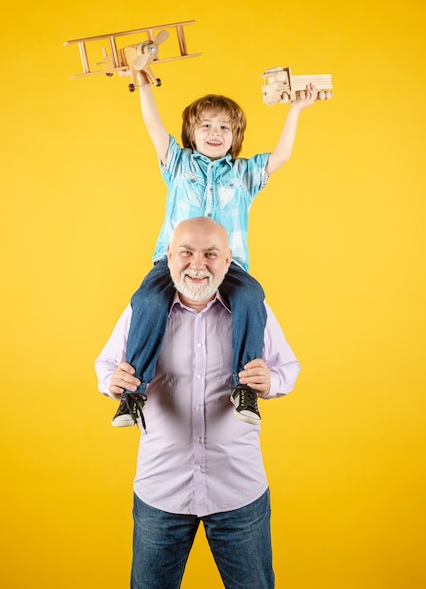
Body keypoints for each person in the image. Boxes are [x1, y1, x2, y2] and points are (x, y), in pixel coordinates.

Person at [95, 217, 301, 589]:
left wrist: (272, 382)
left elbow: (289, 366)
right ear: (168, 256)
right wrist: (112, 381)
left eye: (210, 254)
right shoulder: (142, 312)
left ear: (228, 261)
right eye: (186, 253)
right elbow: (106, 364)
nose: (197, 265)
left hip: (238, 488)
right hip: (162, 489)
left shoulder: (253, 312)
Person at [112, 70, 316, 429]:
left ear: (235, 137)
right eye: (206, 126)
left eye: (224, 128)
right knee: (147, 301)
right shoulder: (177, 165)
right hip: (173, 262)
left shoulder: (244, 173)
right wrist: (142, 81)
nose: (214, 134)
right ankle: (134, 392)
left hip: (228, 264)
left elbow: (281, 156)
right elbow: (152, 125)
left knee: (252, 295)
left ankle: (246, 387)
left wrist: (296, 110)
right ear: (191, 133)